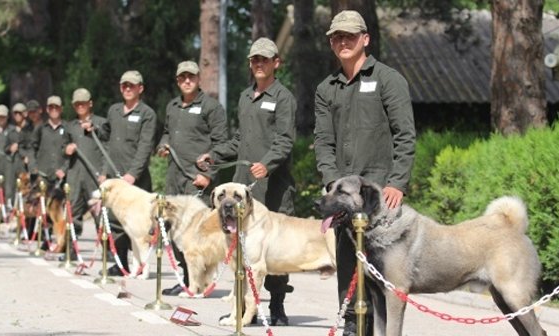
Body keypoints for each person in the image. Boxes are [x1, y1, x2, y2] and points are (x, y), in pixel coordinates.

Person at [313, 10, 416, 336]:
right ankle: (351, 327)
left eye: (350, 36)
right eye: (337, 37)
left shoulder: (388, 79)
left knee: (383, 269)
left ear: (365, 39)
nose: (343, 42)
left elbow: (405, 134)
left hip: (380, 196)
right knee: (348, 264)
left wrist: (398, 181)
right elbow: (323, 141)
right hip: (344, 196)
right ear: (331, 43)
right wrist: (332, 183)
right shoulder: (326, 89)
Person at [197, 37, 296, 326]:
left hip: (273, 188)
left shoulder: (284, 97)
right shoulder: (244, 97)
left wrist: (267, 163)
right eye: (254, 59)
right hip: (241, 189)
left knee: (272, 252)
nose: (259, 64)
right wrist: (214, 156)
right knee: (239, 250)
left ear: (276, 62)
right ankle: (242, 309)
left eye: (265, 59)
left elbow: (285, 141)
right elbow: (240, 140)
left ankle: (277, 307)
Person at [157, 60, 228, 295]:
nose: (187, 81)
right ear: (178, 81)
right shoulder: (173, 106)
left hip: (196, 180)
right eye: (182, 77)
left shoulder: (212, 107)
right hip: (174, 178)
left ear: (198, 79)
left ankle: (199, 280)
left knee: (196, 234)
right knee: (175, 231)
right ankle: (187, 278)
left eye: (191, 77)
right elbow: (167, 132)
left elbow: (221, 144)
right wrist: (163, 145)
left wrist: (208, 176)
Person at [97, 70, 157, 277]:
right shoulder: (114, 111)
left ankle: (141, 264)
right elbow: (107, 141)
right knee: (113, 221)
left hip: (136, 182)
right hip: (114, 179)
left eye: (132, 85)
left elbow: (145, 147)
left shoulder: (147, 114)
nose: (128, 89)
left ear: (140, 88)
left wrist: (133, 174)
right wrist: (104, 172)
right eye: (124, 85)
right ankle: (120, 263)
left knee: (137, 225)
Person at [64, 88, 106, 236]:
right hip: (75, 175)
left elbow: (107, 149)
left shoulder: (101, 123)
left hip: (94, 176)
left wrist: (104, 172)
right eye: (77, 104)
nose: (80, 106)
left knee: (99, 212)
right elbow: (63, 148)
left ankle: (107, 252)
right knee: (72, 211)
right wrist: (67, 149)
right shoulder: (70, 126)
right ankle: (71, 249)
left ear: (90, 104)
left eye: (83, 103)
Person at [30, 96, 69, 184]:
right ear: (47, 109)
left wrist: (64, 169)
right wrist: (33, 167)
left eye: (57, 107)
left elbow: (71, 154)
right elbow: (31, 149)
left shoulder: (68, 128)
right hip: (42, 176)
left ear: (61, 109)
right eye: (51, 107)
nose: (54, 110)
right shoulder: (40, 128)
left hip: (62, 177)